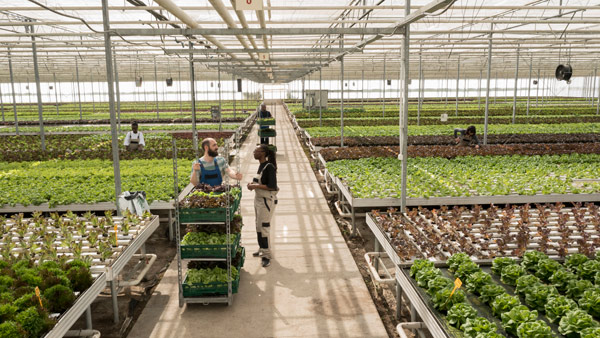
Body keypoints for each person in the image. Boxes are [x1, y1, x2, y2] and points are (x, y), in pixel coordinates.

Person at [247, 144, 278, 267]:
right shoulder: (261, 166)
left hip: (266, 201)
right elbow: (261, 181)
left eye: (256, 151)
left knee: (264, 227)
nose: (254, 153)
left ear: (263, 153)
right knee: (258, 226)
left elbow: (272, 186)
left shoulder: (269, 167)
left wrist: (255, 186)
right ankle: (262, 248)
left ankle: (266, 255)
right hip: (259, 200)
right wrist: (252, 184)